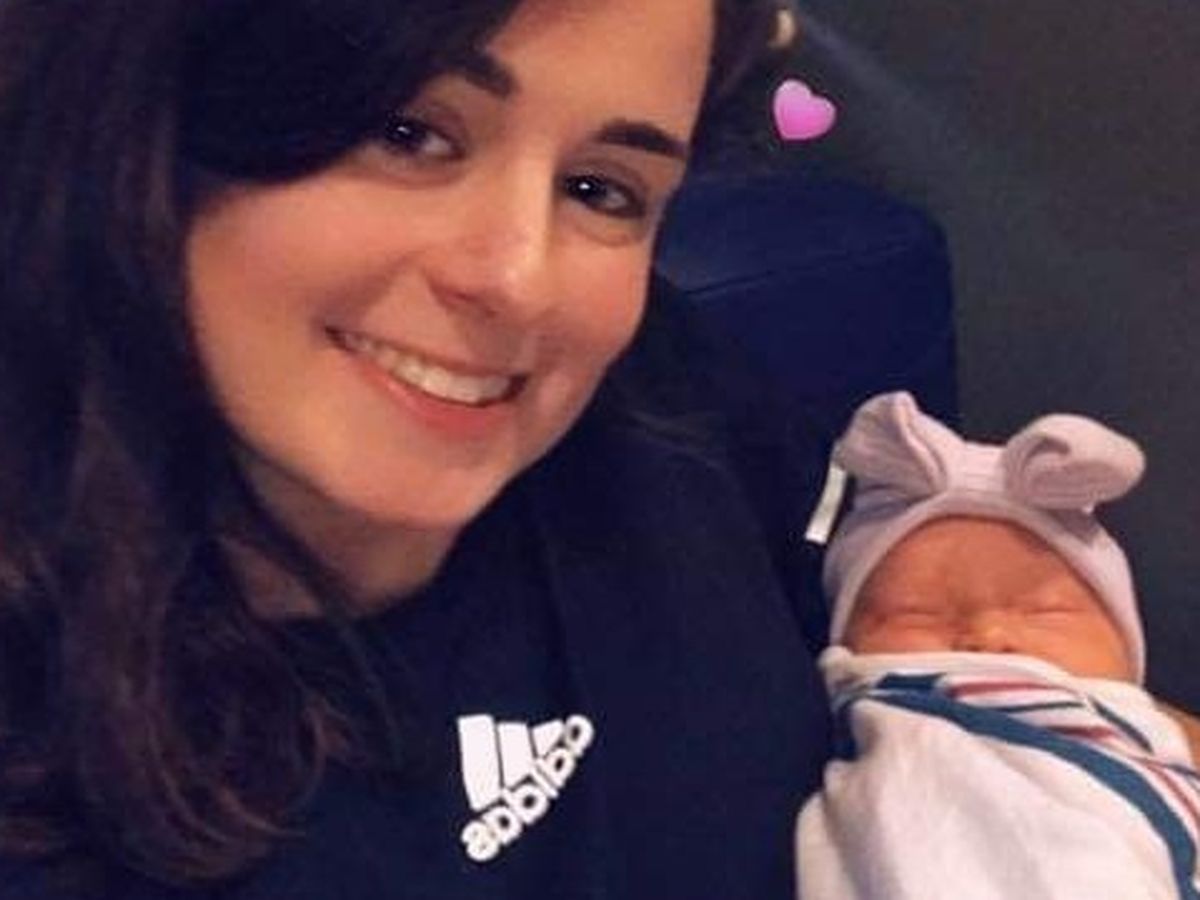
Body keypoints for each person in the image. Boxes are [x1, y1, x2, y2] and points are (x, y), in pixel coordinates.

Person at [0, 1, 840, 897]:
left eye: (599, 190)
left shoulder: (657, 391)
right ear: (148, 124)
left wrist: (919, 560)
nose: (520, 282)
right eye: (409, 135)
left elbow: (855, 526)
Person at [796, 391, 1200, 900]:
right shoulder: (898, 725)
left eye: (1045, 612)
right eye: (916, 613)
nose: (988, 637)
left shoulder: (1150, 748)